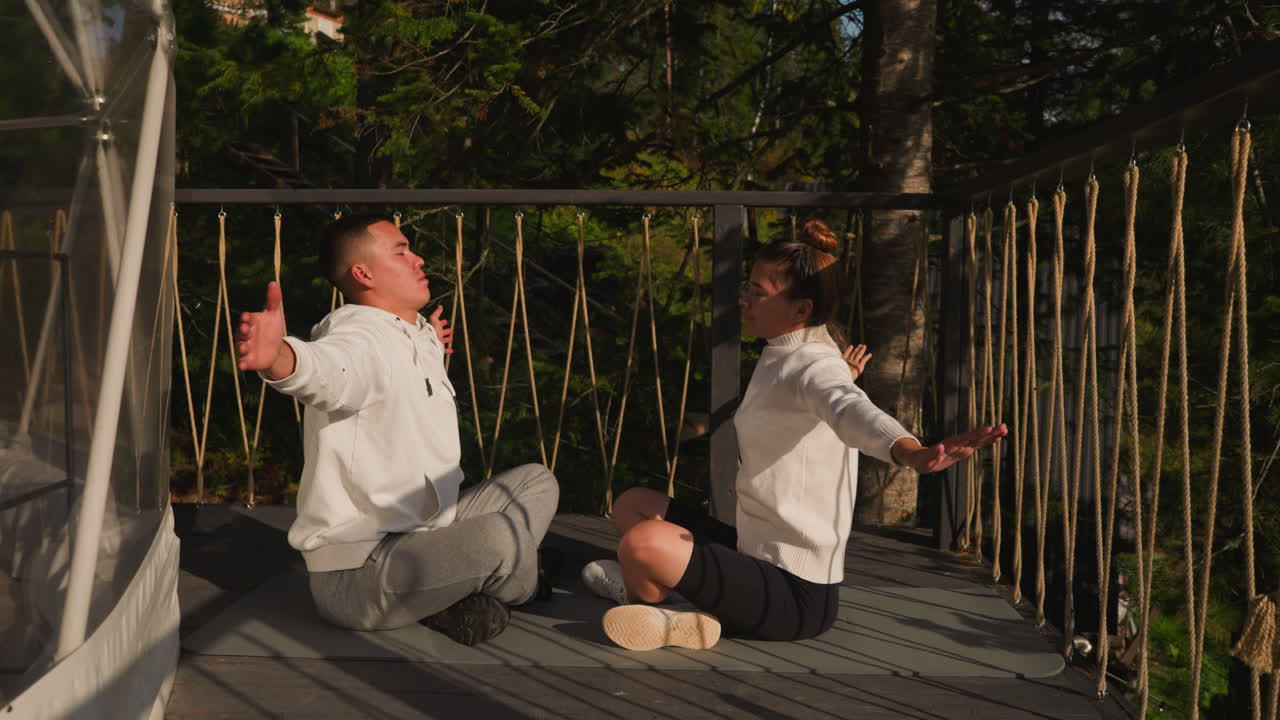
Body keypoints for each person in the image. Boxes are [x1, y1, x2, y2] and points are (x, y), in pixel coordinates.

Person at [580, 219, 1008, 651]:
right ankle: (680, 606)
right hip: (754, 551)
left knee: (641, 542)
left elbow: (848, 406)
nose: (744, 300)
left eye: (758, 293)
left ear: (801, 310)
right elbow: (828, 391)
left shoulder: (814, 366)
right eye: (748, 287)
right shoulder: (794, 351)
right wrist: (844, 372)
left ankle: (651, 606)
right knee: (633, 505)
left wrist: (911, 452)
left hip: (792, 597)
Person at [236, 214, 559, 646]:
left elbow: (402, 369)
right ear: (363, 273)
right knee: (503, 536)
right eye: (402, 251)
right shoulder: (357, 333)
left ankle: (463, 589)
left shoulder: (409, 332)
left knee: (537, 482)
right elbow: (331, 370)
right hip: (361, 574)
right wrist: (280, 358)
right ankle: (520, 579)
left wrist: (429, 343)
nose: (419, 259)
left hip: (423, 534)